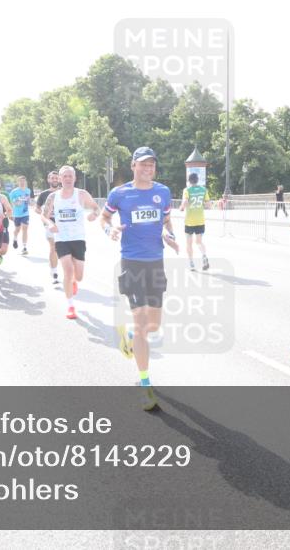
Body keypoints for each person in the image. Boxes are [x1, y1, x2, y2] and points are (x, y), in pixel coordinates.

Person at [101, 146, 179, 411]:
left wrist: (171, 236)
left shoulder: (163, 192)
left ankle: (131, 334)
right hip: (132, 263)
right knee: (141, 318)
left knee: (153, 326)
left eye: (152, 165)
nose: (148, 169)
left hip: (156, 263)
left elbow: (167, 221)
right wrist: (110, 230)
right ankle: (145, 384)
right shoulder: (120, 194)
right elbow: (104, 218)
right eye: (143, 164)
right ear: (133, 165)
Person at [41, 166, 101, 319]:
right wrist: (50, 224)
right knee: (67, 271)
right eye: (64, 176)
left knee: (79, 276)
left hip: (78, 238)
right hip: (61, 239)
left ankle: (74, 281)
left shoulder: (81, 194)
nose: (67, 179)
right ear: (60, 179)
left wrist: (94, 214)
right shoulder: (53, 197)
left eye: (70, 176)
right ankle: (71, 306)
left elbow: (96, 208)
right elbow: (44, 215)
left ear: (75, 178)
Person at [35, 171, 62, 286]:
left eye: (56, 178)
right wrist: (43, 213)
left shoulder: (64, 192)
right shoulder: (43, 194)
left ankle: (54, 266)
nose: (55, 180)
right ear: (49, 180)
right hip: (49, 223)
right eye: (53, 178)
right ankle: (54, 272)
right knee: (54, 246)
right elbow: (36, 208)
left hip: (63, 224)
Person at [179, 172, 209, 271]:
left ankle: (191, 263)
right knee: (199, 242)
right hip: (200, 220)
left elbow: (185, 201)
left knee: (189, 243)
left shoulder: (187, 190)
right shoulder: (204, 190)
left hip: (189, 221)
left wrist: (182, 207)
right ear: (197, 180)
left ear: (189, 181)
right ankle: (204, 256)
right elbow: (208, 205)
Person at [9, 176, 33, 255]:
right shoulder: (14, 192)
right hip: (17, 214)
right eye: (20, 181)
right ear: (18, 182)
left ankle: (24, 247)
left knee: (25, 228)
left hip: (25, 213)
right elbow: (10, 202)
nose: (22, 183)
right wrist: (15, 203)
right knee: (17, 229)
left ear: (25, 182)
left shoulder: (28, 190)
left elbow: (28, 199)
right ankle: (15, 239)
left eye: (23, 181)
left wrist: (30, 202)